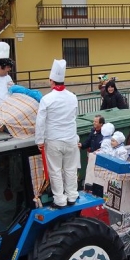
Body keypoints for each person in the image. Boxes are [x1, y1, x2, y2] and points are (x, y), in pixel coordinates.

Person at [35, 59, 79, 209]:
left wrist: (39, 140)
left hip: (54, 140)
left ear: (51, 81)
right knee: (70, 169)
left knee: (55, 170)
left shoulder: (46, 99)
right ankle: (72, 195)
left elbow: (40, 122)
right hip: (71, 139)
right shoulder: (73, 97)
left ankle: (60, 199)